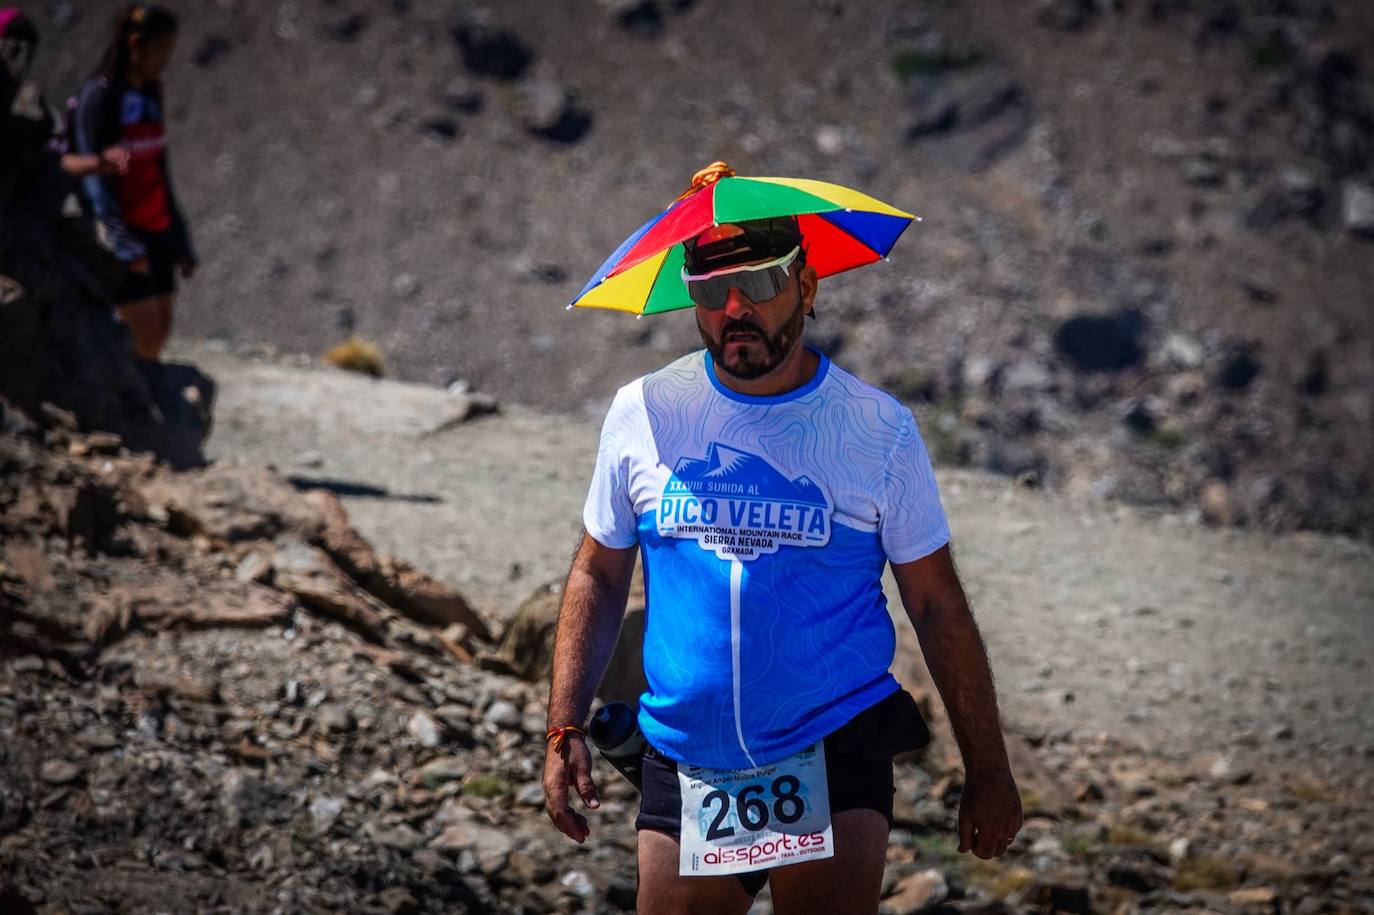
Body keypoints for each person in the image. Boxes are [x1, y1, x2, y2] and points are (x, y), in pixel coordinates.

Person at [543, 209, 1023, 914]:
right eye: (710, 291)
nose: (734, 309)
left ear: (807, 284)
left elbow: (934, 601)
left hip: (831, 742)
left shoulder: (876, 428)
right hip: (687, 752)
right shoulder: (643, 411)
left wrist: (988, 768)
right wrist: (564, 725)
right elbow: (599, 572)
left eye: (759, 283)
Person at [70, 3, 194, 361]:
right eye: (158, 51)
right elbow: (94, 178)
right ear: (134, 44)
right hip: (126, 233)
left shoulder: (151, 93)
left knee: (159, 333)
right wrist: (121, 243)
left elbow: (160, 168)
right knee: (142, 338)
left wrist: (179, 237)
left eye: (169, 51)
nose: (164, 60)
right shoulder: (101, 96)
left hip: (157, 229)